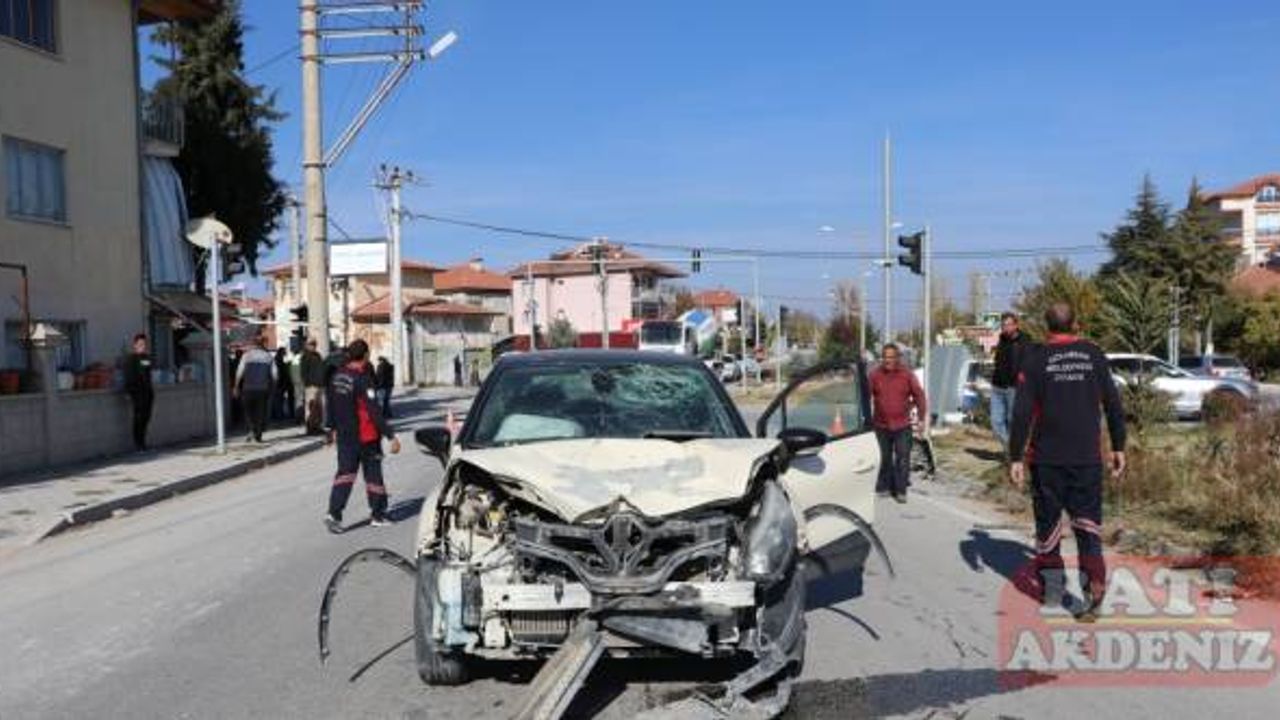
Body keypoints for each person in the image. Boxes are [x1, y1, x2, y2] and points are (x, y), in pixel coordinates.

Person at [1009, 302, 1126, 620]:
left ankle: (1053, 588)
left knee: (1048, 527)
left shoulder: (1035, 359)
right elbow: (1113, 404)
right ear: (1076, 323)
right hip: (1086, 458)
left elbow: (1020, 413)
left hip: (1046, 459)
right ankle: (1094, 591)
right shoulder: (1093, 355)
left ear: (1047, 326)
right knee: (1088, 529)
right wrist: (1119, 446)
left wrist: (1015, 456)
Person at [325, 339, 400, 532]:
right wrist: (390, 435)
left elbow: (330, 404)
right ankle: (378, 514)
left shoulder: (337, 376)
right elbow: (374, 410)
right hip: (366, 436)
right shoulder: (362, 378)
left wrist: (330, 429)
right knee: (374, 475)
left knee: (344, 475)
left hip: (345, 436)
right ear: (365, 355)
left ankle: (333, 514)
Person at [868, 343, 928, 504]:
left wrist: (921, 418)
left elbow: (919, 396)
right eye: (885, 357)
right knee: (884, 457)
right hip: (881, 425)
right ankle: (884, 486)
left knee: (903, 457)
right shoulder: (875, 375)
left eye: (891, 357)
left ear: (897, 358)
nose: (888, 361)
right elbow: (866, 396)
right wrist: (864, 418)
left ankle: (901, 490)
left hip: (902, 425)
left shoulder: (907, 375)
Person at [989, 312, 1028, 452]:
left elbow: (1029, 365)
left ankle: (1015, 455)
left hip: (1014, 388)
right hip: (997, 387)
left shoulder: (1024, 341)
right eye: (1003, 325)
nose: (1005, 328)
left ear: (1016, 325)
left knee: (1013, 423)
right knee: (995, 423)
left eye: (1009, 324)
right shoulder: (1001, 339)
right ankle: (1013, 450)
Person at [234, 336, 276, 443]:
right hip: (263, 388)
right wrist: (273, 386)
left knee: (248, 411)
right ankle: (258, 434)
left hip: (248, 388)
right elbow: (275, 375)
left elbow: (240, 372)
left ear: (254, 344)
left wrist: (236, 386)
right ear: (262, 344)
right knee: (260, 412)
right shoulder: (268, 357)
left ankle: (252, 429)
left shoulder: (247, 356)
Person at [122, 333, 155, 451]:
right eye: (140, 344)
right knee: (139, 417)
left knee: (146, 417)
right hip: (137, 392)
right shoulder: (131, 359)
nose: (143, 346)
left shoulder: (146, 358)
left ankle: (143, 442)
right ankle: (138, 443)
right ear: (135, 345)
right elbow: (128, 376)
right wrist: (128, 392)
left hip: (147, 392)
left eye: (145, 344)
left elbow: (148, 373)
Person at [300, 338, 327, 435]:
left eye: (314, 344)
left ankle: (318, 426)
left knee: (319, 407)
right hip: (311, 385)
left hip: (319, 385)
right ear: (307, 345)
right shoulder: (305, 356)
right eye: (311, 344)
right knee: (310, 407)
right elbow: (303, 372)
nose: (313, 346)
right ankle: (310, 427)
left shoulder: (317, 355)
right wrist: (307, 384)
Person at [273, 347, 295, 420]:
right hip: (281, 383)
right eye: (284, 352)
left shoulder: (278, 360)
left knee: (280, 399)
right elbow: (281, 372)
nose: (285, 353)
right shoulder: (279, 361)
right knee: (279, 399)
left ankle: (280, 414)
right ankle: (279, 415)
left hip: (281, 383)